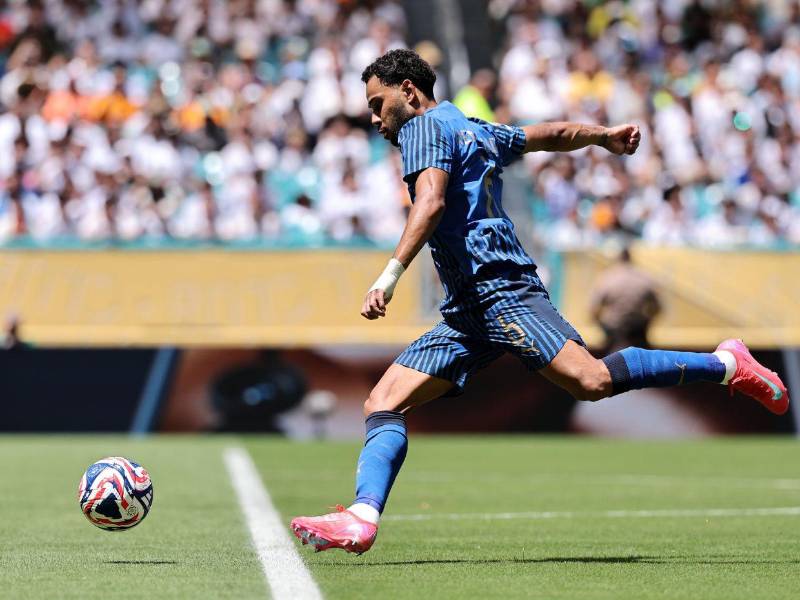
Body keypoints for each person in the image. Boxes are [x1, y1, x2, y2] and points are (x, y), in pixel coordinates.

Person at [290, 49, 790, 555]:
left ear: (409, 92)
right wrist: (602, 136)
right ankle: (361, 516)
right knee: (383, 401)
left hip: (500, 289)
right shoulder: (472, 127)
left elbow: (432, 201)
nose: (375, 118)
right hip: (468, 309)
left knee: (591, 380)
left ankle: (726, 364)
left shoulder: (422, 130)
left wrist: (389, 275)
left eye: (378, 104)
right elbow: (545, 134)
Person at [589, 247, 661, 351]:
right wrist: (646, 322)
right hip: (638, 329)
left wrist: (603, 327)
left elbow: (592, 309)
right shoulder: (644, 277)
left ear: (618, 259)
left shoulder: (608, 277)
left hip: (614, 329)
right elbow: (658, 307)